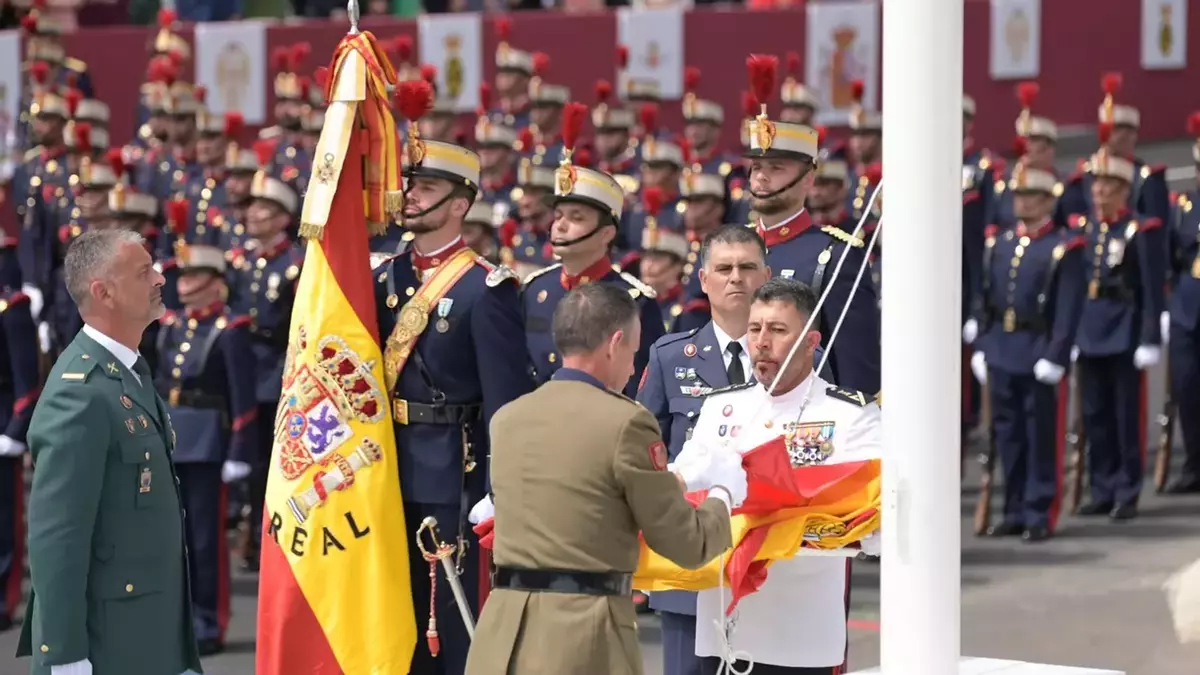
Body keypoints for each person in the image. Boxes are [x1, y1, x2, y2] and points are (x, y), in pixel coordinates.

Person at [465, 283, 745, 675]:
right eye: (633, 353)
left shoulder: (508, 419)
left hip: (503, 632)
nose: (632, 368)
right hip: (583, 635)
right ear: (614, 344)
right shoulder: (627, 422)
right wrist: (723, 493)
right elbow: (685, 543)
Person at [374, 115, 532, 675]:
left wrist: (499, 489)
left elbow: (506, 404)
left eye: (427, 188)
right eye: (410, 185)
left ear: (460, 203)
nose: (411, 196)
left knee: (449, 616)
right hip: (385, 462)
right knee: (393, 612)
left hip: (453, 470)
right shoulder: (383, 275)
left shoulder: (485, 289)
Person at [672, 277, 881, 675]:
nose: (762, 342)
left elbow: (876, 517)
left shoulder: (849, 415)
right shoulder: (721, 408)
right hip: (722, 633)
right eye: (754, 329)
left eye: (778, 330)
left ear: (811, 341)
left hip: (800, 635)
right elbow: (684, 485)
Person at [17, 229, 202, 675]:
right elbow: (58, 535)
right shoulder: (80, 393)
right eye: (143, 272)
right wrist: (64, 654)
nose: (160, 278)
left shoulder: (127, 369)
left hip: (153, 631)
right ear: (104, 292)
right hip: (112, 644)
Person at [966, 163, 1087, 541]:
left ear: (1048, 201)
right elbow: (986, 299)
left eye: (1031, 195)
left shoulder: (1063, 247)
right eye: (1019, 195)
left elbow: (1067, 307)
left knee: (1041, 436)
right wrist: (983, 344)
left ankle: (1039, 511)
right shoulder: (999, 244)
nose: (1023, 202)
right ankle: (1014, 508)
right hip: (1003, 347)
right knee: (1008, 436)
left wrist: (1056, 354)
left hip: (1038, 350)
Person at [152, 243, 257, 655]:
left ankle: (208, 622)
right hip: (170, 435)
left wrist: (239, 452)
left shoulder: (230, 330)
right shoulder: (171, 325)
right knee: (169, 537)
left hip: (208, 441)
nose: (184, 284)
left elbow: (243, 398)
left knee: (203, 539)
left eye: (194, 276)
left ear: (216, 284)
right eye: (182, 276)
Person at [743, 89, 881, 396]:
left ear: (808, 178)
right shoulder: (731, 249)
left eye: (776, 168)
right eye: (757, 167)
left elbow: (856, 372)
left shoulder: (834, 255)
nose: (761, 178)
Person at [522, 103, 664, 397]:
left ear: (606, 233)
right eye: (558, 216)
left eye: (576, 218)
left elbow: (647, 390)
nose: (560, 226)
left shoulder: (634, 300)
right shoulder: (535, 289)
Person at [1071, 147, 1165, 521]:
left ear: (1124, 190)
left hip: (1124, 329)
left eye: (1108, 185)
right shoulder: (1085, 229)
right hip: (1089, 329)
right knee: (1095, 415)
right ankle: (1101, 487)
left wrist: (1150, 336)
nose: (1099, 192)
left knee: (1126, 415)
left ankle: (1126, 490)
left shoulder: (1139, 230)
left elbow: (1151, 287)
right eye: (1096, 185)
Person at [0, 240, 39, 633]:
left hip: (0, 424)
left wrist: (15, 430)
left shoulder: (11, 308)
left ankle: (1, 599)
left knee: (2, 519)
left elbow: (27, 380)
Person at [1163, 113, 1200, 494]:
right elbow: (1170, 258)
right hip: (1188, 306)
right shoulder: (1183, 206)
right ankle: (1194, 464)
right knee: (1187, 388)